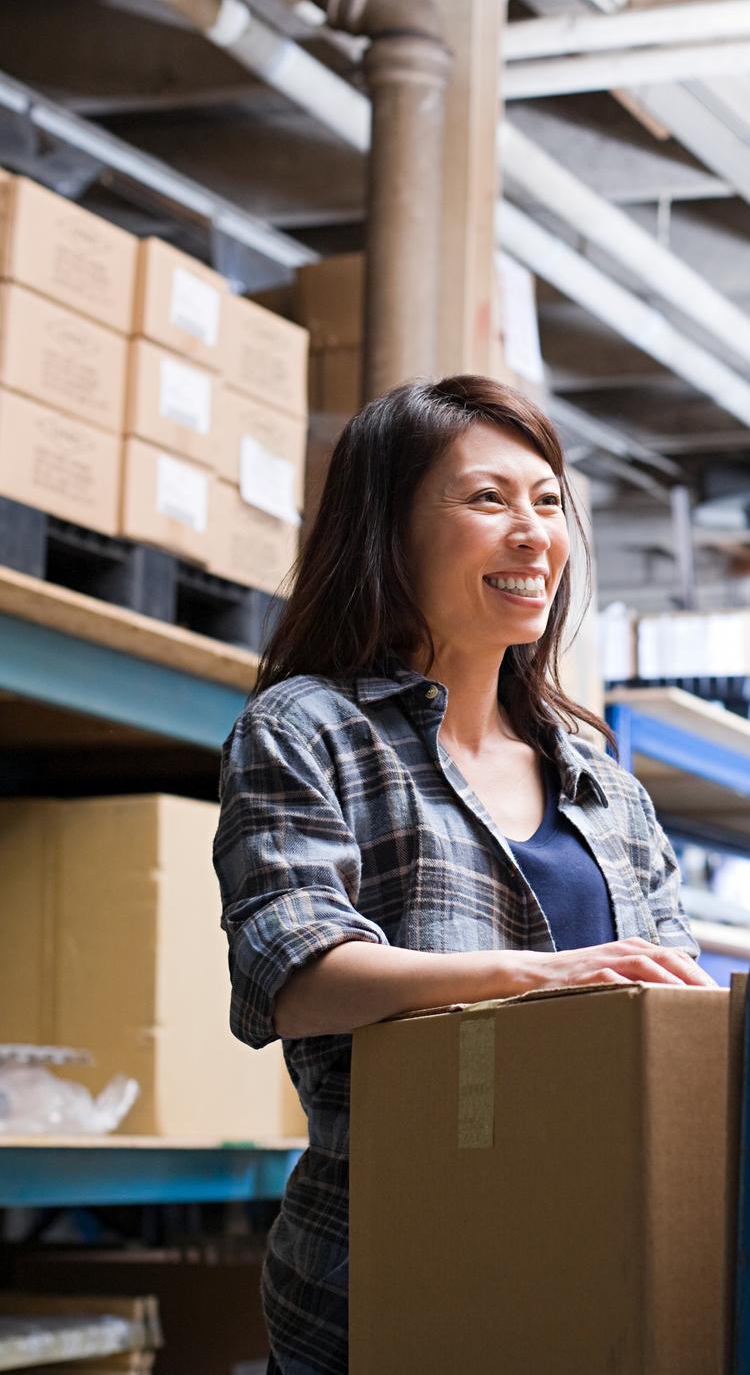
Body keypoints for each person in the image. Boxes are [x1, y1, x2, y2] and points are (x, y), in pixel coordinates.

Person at [214, 376, 714, 1375]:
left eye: (546, 500)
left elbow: (675, 1014)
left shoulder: (606, 787)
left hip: (594, 1278)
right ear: (386, 532)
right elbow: (302, 975)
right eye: (487, 500)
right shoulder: (312, 730)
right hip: (382, 1281)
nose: (531, 533)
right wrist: (549, 976)